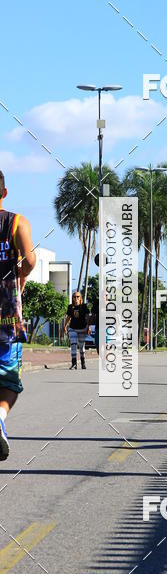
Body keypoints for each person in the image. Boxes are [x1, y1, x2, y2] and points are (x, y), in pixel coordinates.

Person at [0, 172, 36, 460]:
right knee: (10, 380)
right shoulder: (16, 222)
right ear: (5, 192)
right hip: (7, 315)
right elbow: (31, 259)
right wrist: (19, 276)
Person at [65, 291, 90, 370]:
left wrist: (88, 327)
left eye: (77, 297)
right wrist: (65, 326)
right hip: (72, 328)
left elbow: (87, 317)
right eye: (74, 297)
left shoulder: (84, 306)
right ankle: (74, 363)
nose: (76, 298)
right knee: (73, 346)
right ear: (72, 298)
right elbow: (68, 317)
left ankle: (83, 362)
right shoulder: (70, 307)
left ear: (80, 298)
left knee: (82, 347)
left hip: (82, 328)